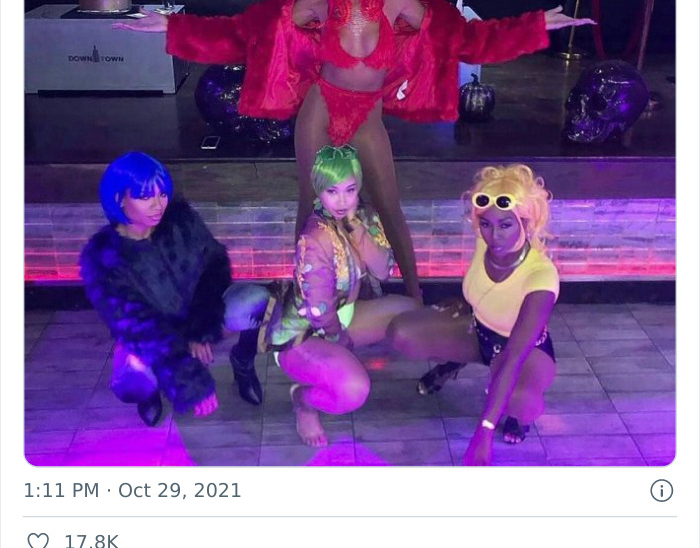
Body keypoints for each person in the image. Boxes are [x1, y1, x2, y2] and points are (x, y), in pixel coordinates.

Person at [115, 0, 591, 304]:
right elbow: (241, 36)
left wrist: (535, 26)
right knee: (310, 205)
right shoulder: (314, 6)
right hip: (321, 109)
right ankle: (305, 299)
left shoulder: (398, 1)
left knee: (389, 204)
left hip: (367, 115)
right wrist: (172, 26)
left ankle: (416, 298)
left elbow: (465, 39)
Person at [387, 164, 558, 466]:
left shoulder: (541, 276)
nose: (494, 235)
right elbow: (485, 286)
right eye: (486, 223)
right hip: (479, 332)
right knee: (402, 333)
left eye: (506, 225)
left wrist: (485, 431)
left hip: (523, 351)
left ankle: (517, 418)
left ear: (527, 222)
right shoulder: (484, 240)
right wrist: (466, 302)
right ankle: (455, 362)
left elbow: (514, 356)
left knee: (522, 402)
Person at [80, 152, 269, 426]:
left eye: (162, 194)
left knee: (256, 301)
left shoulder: (180, 221)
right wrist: (190, 380)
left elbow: (214, 267)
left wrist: (200, 329)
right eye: (145, 197)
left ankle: (243, 362)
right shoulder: (105, 258)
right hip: (155, 335)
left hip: (195, 318)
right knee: (131, 375)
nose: (158, 204)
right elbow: (139, 327)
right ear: (120, 199)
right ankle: (150, 393)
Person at [258, 145, 415, 446]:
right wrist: (339, 340)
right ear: (319, 190)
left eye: (350, 190)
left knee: (411, 313)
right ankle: (304, 400)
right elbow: (318, 308)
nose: (342, 201)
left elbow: (383, 270)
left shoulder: (361, 216)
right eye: (332, 191)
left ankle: (336, 365)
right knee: (354, 390)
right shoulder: (315, 237)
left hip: (344, 314)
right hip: (303, 333)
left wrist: (355, 227)